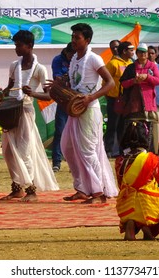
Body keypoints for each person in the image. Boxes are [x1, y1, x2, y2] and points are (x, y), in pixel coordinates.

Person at [59, 23, 118, 204]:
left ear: (88, 40)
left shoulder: (94, 59)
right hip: (75, 109)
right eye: (73, 37)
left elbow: (110, 83)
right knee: (67, 147)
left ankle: (99, 192)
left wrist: (91, 98)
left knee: (88, 151)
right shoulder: (75, 59)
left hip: (89, 110)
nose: (74, 40)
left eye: (77, 37)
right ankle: (82, 188)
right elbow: (75, 85)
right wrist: (60, 86)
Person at [0, 30, 59, 202]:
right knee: (8, 151)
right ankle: (17, 188)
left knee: (25, 151)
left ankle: (31, 190)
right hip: (10, 111)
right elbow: (9, 87)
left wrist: (32, 93)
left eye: (19, 45)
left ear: (30, 46)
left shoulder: (39, 69)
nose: (16, 48)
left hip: (26, 111)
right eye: (15, 45)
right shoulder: (14, 65)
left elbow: (49, 96)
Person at [115, 121, 159, 241]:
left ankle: (131, 223)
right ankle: (145, 226)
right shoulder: (151, 159)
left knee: (134, 199)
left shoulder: (120, 160)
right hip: (149, 206)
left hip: (126, 207)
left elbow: (120, 184)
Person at [119, 43, 159, 153]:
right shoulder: (131, 67)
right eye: (140, 52)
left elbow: (157, 80)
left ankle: (147, 151)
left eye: (145, 52)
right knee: (132, 128)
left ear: (147, 54)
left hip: (148, 103)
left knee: (148, 129)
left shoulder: (152, 66)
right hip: (133, 104)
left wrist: (147, 77)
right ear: (137, 53)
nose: (143, 54)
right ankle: (130, 151)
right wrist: (134, 81)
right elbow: (123, 83)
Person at [104, 41, 134, 157]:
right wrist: (109, 95)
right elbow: (105, 81)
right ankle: (108, 150)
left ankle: (123, 151)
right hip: (114, 99)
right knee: (112, 125)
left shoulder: (131, 63)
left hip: (127, 100)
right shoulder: (112, 63)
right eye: (130, 50)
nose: (133, 52)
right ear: (124, 51)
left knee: (124, 126)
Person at [50, 42, 75, 172]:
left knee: (76, 133)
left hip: (77, 100)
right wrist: (66, 78)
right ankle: (56, 162)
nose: (73, 57)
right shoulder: (58, 60)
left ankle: (74, 163)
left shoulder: (79, 59)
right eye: (71, 54)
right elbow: (57, 78)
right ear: (66, 52)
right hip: (63, 100)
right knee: (60, 131)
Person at [148, 45, 159, 151]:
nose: (150, 55)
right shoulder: (142, 68)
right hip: (145, 103)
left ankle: (156, 150)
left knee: (156, 129)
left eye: (152, 53)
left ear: (156, 55)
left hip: (157, 102)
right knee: (146, 129)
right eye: (148, 53)